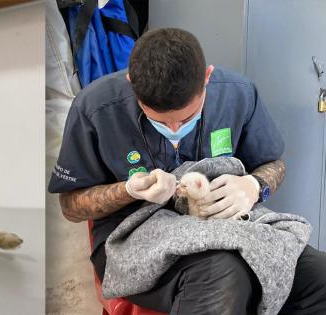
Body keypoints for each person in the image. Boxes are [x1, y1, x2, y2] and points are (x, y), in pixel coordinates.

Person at [48, 28, 326, 314]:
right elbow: (70, 206)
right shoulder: (95, 107)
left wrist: (254, 186)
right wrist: (127, 190)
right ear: (132, 83)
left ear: (207, 78)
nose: (173, 130)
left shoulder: (238, 94)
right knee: (224, 274)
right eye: (159, 121)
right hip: (133, 235)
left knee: (320, 277)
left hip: (229, 222)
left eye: (186, 118)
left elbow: (274, 163)